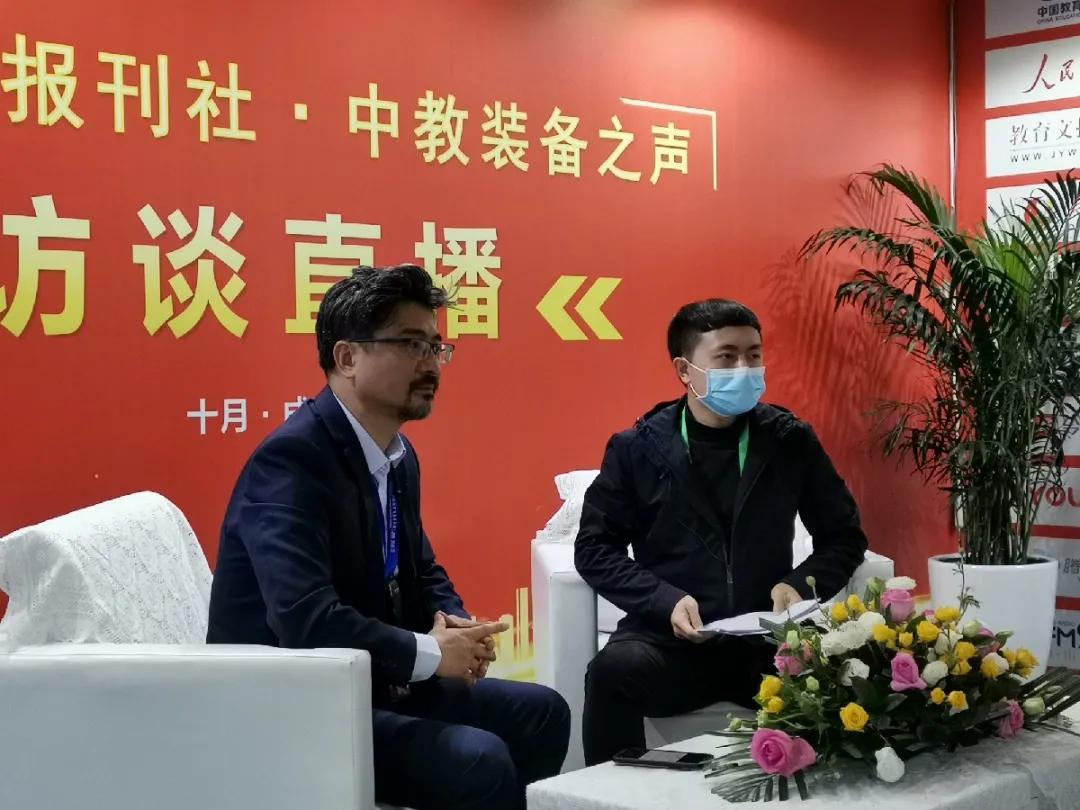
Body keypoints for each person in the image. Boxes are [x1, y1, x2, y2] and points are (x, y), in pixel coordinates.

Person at [208, 264, 570, 809]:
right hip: (292, 706)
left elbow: (420, 567)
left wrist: (455, 624)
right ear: (347, 357)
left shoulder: (397, 455)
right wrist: (431, 653)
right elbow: (306, 620)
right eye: (410, 345)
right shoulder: (292, 461)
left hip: (373, 685)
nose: (431, 363)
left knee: (542, 713)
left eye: (436, 347)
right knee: (478, 759)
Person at [575, 298, 868, 765]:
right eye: (727, 357)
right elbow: (594, 549)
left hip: (768, 640)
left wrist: (798, 586)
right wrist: (663, 600)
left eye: (754, 355)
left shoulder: (789, 440)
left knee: (847, 673)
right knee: (612, 672)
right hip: (670, 642)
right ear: (685, 370)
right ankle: (607, 793)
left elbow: (844, 536)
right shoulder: (638, 449)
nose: (744, 369)